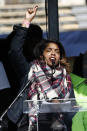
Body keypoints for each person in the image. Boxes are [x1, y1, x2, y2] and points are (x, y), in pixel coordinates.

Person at [6, 5, 75, 131]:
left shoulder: (65, 77)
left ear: (60, 57)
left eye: (57, 51)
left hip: (56, 127)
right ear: (42, 55)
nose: (53, 53)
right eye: (49, 50)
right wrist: (26, 21)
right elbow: (15, 50)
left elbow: (71, 109)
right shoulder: (29, 70)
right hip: (28, 126)